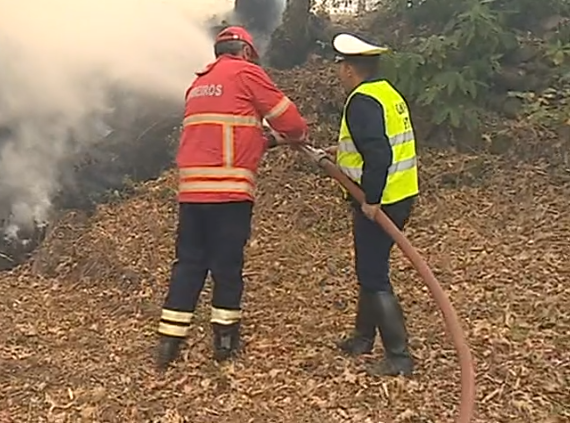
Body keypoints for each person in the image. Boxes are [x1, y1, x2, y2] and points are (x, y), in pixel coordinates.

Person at [155, 26, 309, 369]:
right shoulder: (246, 74)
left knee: (189, 263)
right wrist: (290, 136)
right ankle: (224, 340)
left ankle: (169, 342)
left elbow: (223, 130)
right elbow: (292, 123)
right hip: (229, 191)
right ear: (247, 53)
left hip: (192, 193)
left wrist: (262, 140)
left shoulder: (198, 85)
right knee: (226, 265)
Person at [327, 32, 419, 377]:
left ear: (351, 70)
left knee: (374, 276)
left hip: (382, 200)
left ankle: (399, 357)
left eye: (341, 67)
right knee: (369, 269)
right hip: (403, 192)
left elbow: (379, 153)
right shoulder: (387, 93)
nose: (339, 73)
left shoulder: (362, 100)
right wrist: (339, 153)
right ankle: (362, 339)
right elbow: (376, 144)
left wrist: (372, 200)